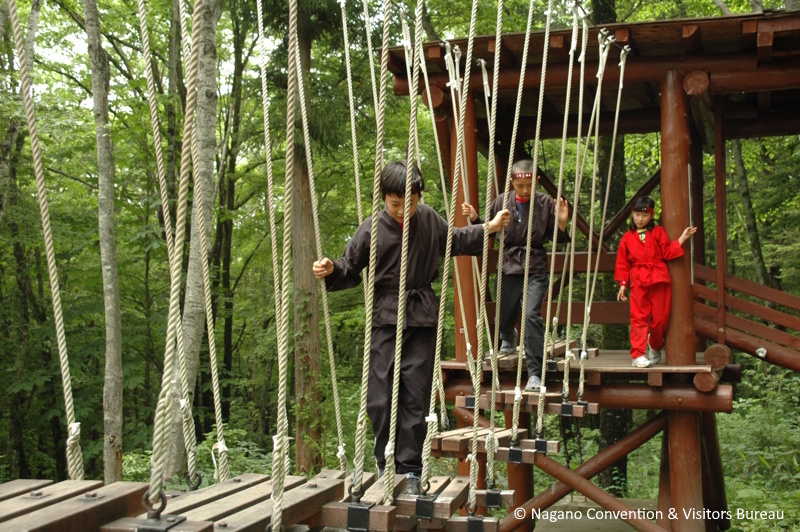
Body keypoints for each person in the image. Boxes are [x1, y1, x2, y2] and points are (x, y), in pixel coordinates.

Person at [313, 160, 509, 494]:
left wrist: (487, 227)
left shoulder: (429, 218)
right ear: (384, 199)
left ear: (420, 196)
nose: (404, 210)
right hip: (384, 318)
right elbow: (349, 265)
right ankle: (385, 460)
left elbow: (456, 240)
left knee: (415, 396)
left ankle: (411, 470)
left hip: (421, 318)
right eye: (396, 204)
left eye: (411, 203)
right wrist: (331, 268)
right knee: (380, 396)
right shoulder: (371, 228)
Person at [462, 159, 570, 391]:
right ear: (512, 182)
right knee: (503, 312)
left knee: (531, 315)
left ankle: (535, 373)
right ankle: (507, 334)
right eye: (520, 186)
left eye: (530, 185)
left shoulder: (544, 203)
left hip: (535, 267)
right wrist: (475, 220)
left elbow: (557, 238)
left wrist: (561, 223)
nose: (525, 190)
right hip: (509, 264)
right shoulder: (502, 201)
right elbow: (488, 230)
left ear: (537, 182)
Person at [614, 196, 697, 368]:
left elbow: (667, 252)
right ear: (632, 214)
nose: (640, 219)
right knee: (638, 318)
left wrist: (682, 238)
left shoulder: (658, 232)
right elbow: (623, 262)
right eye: (637, 214)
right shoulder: (627, 238)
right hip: (638, 281)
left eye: (644, 215)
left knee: (661, 318)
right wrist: (623, 284)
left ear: (651, 216)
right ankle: (637, 355)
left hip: (659, 278)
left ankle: (655, 344)